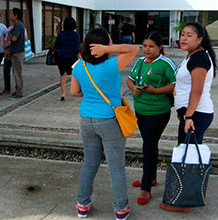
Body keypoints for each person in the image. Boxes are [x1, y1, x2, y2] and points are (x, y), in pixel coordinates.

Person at [71, 28, 139, 220]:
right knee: (115, 167)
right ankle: (120, 209)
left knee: (89, 164)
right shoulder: (111, 65)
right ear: (102, 45)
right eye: (108, 41)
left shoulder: (79, 66)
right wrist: (109, 48)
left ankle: (82, 205)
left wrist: (93, 97)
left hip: (86, 119)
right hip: (109, 120)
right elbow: (133, 49)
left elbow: (75, 92)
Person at [160, 22, 216, 212]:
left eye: (189, 35)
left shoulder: (199, 58)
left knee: (188, 160)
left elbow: (197, 91)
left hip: (196, 114)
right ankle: (185, 196)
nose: (183, 38)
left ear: (200, 39)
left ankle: (184, 202)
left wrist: (189, 116)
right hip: (192, 113)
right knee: (187, 156)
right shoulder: (192, 56)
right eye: (182, 34)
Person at [127, 31, 177, 205]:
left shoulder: (165, 63)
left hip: (158, 112)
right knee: (150, 145)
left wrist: (156, 91)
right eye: (145, 46)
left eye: (151, 46)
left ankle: (146, 188)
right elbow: (130, 79)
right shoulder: (140, 62)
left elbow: (175, 84)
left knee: (148, 147)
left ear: (160, 47)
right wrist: (133, 88)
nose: (146, 50)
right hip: (140, 110)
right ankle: (152, 178)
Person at [54, 16, 80, 101]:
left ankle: (63, 94)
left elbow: (56, 46)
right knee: (75, 75)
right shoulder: (76, 35)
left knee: (63, 75)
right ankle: (75, 91)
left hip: (61, 57)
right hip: (72, 57)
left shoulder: (61, 34)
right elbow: (77, 48)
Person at [9, 8, 25, 99]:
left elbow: (14, 39)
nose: (10, 16)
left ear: (16, 16)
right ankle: (17, 90)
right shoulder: (19, 25)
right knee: (16, 72)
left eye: (12, 14)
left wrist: (9, 34)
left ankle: (19, 91)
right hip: (17, 51)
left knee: (17, 73)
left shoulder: (18, 25)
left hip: (17, 52)